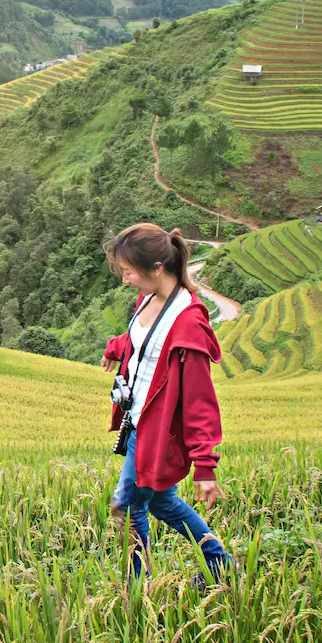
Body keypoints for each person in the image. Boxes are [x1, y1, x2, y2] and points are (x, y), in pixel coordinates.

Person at [100, 222, 232, 586]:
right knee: (157, 502)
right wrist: (116, 347)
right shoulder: (150, 298)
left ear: (156, 269)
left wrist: (205, 465)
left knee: (128, 505)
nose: (125, 279)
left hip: (157, 431)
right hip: (139, 419)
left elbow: (200, 401)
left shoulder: (187, 323)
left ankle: (136, 584)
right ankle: (219, 564)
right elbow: (139, 339)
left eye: (128, 272)